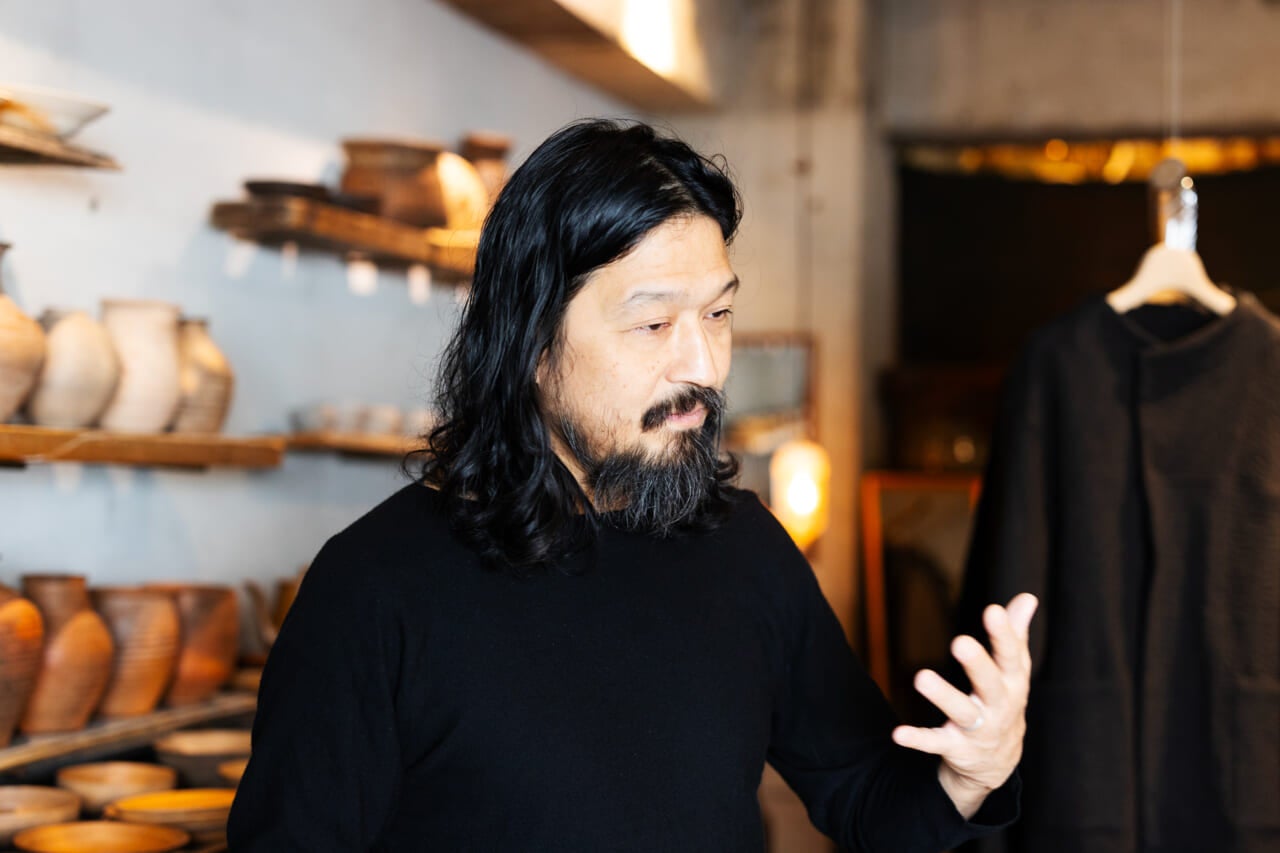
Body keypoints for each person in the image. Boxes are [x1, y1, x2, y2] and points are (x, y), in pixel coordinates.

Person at [227, 119, 1035, 852]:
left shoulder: (747, 551)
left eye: (717, 315)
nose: (703, 366)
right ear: (531, 343)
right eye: (654, 324)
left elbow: (867, 798)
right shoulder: (374, 589)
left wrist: (970, 773)